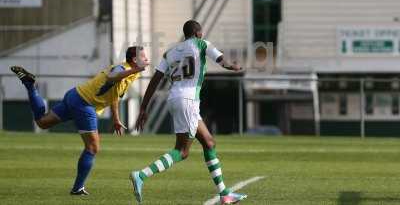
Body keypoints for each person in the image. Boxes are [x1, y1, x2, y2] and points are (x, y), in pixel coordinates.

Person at [130, 20, 247, 204]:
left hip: (175, 99)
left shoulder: (169, 52)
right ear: (199, 32)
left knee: (208, 142)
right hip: (188, 101)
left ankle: (224, 194)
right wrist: (233, 66)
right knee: (182, 151)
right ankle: (141, 175)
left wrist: (143, 107)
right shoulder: (201, 44)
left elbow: (155, 80)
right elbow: (221, 60)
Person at [11, 46, 149, 195]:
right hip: (84, 104)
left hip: (75, 95)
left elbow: (114, 92)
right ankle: (77, 189)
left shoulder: (130, 72)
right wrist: (135, 70)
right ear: (135, 60)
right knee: (92, 147)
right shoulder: (124, 68)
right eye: (144, 57)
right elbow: (112, 77)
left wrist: (116, 118)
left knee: (42, 122)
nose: (147, 59)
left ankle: (30, 86)